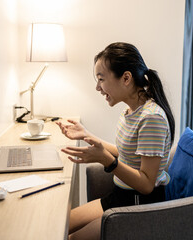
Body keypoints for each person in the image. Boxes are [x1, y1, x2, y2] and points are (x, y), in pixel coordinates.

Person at [57, 42, 175, 240]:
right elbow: (127, 153)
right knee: (60, 224)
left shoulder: (151, 118)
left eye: (101, 79)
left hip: (139, 206)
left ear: (126, 78)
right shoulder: (131, 110)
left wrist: (107, 161)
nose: (97, 87)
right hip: (120, 196)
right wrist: (86, 135)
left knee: (70, 238)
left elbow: (146, 184)